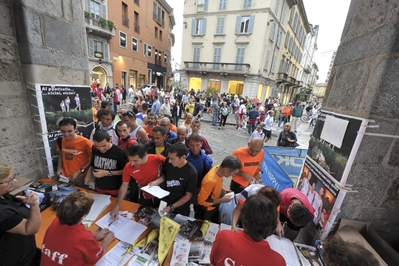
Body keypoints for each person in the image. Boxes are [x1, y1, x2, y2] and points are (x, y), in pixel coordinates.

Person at [41, 191, 115, 265]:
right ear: (83, 216)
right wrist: (105, 242)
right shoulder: (84, 238)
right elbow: (98, 256)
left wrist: (96, 235)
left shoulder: (56, 221)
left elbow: (75, 233)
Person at [210, 195, 286, 266]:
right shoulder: (279, 262)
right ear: (272, 227)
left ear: (243, 218)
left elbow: (213, 263)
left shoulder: (224, 237)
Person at [0, 164, 41, 265]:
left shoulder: (5, 196)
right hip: (18, 260)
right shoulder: (2, 212)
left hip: (28, 250)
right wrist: (34, 205)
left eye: (13, 177)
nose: (15, 181)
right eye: (9, 181)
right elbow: (31, 229)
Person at [110, 143, 166, 217]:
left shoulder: (158, 159)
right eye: (130, 160)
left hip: (161, 195)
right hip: (144, 196)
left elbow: (169, 174)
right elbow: (124, 186)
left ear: (145, 156)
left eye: (135, 161)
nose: (132, 164)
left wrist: (157, 181)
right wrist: (117, 205)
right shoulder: (128, 167)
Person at [148, 143, 197, 216]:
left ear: (183, 157)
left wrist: (172, 207)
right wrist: (156, 181)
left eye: (172, 158)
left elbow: (188, 195)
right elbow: (165, 175)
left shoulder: (192, 173)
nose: (169, 161)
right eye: (169, 157)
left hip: (180, 208)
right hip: (165, 201)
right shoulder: (168, 163)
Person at [84, 130, 128, 197]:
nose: (101, 149)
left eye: (104, 145)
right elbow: (93, 161)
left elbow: (126, 171)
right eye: (98, 146)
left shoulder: (120, 153)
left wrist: (107, 173)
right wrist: (88, 173)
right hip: (99, 186)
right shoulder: (94, 148)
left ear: (110, 139)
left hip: (115, 188)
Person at [197, 156, 241, 222]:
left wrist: (223, 188)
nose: (233, 175)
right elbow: (201, 201)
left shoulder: (218, 168)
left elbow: (217, 183)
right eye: (234, 173)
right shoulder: (210, 181)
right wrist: (222, 200)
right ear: (226, 170)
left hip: (214, 206)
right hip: (207, 210)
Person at [56, 118, 92, 185]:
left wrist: (80, 171)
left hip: (80, 177)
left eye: (69, 131)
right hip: (64, 176)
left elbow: (93, 159)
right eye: (63, 131)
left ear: (75, 129)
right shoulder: (60, 141)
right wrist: (59, 168)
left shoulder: (85, 142)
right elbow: (60, 154)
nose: (66, 134)